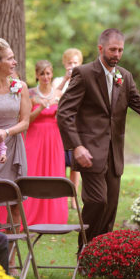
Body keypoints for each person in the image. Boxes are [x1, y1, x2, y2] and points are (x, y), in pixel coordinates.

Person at [57, 28, 140, 246]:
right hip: (89, 151)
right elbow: (64, 113)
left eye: (120, 50)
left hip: (114, 152)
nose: (117, 54)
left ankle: (102, 253)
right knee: (96, 201)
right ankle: (85, 252)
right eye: (112, 49)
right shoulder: (84, 73)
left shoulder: (125, 76)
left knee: (110, 206)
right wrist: (77, 147)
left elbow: (139, 103)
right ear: (101, 48)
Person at [24, 59, 67, 226]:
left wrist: (59, 112)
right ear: (36, 75)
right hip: (35, 136)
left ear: (52, 74)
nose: (45, 77)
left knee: (53, 172)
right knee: (34, 171)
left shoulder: (59, 94)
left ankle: (53, 217)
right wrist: (40, 108)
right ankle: (30, 215)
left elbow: (64, 118)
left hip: (54, 137)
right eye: (42, 73)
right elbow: (26, 119)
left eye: (48, 73)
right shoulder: (30, 94)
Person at [0, 38, 29, 237]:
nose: (14, 62)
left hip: (14, 149)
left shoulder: (20, 87)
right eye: (10, 59)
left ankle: (11, 262)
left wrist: (6, 133)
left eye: (14, 58)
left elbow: (25, 122)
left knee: (15, 205)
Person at [53, 48, 83, 209]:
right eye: (69, 62)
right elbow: (54, 95)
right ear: (65, 63)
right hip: (59, 128)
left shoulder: (83, 79)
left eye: (75, 62)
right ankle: (60, 199)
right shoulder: (58, 80)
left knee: (74, 166)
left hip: (75, 127)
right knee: (61, 164)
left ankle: (73, 198)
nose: (72, 65)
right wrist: (66, 79)